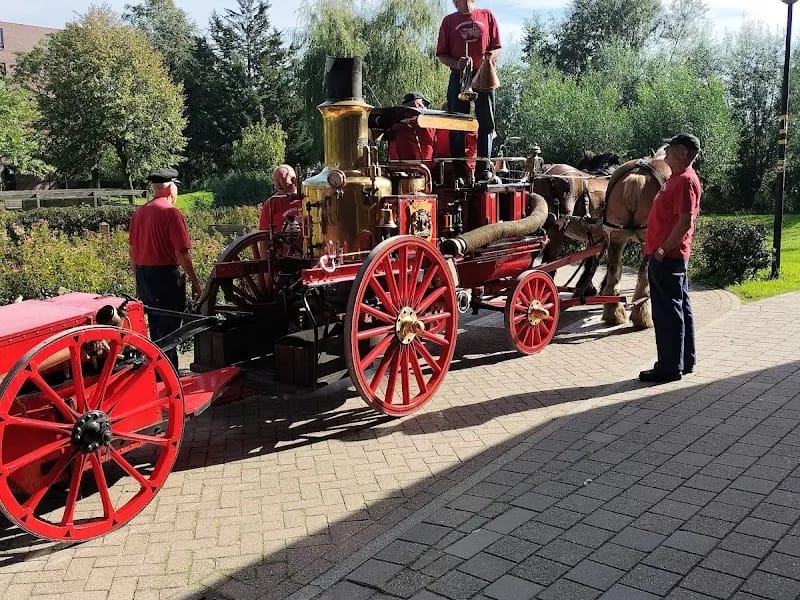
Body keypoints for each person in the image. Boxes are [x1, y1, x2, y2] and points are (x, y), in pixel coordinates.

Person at [639, 133, 703, 383]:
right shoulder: (677, 178)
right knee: (679, 307)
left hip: (668, 256)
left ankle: (669, 367)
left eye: (671, 147)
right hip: (668, 255)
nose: (665, 151)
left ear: (683, 153)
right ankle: (684, 360)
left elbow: (685, 220)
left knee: (667, 312)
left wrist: (663, 250)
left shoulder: (685, 181)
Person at [129, 167, 201, 369]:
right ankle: (169, 374)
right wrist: (196, 283)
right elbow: (182, 253)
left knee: (155, 328)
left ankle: (159, 372)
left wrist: (138, 282)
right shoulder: (171, 213)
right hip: (165, 277)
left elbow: (132, 252)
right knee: (170, 331)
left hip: (144, 275)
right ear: (170, 188)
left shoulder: (139, 213)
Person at [436, 0, 501, 179]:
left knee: (486, 123)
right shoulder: (449, 21)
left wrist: (489, 57)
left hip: (484, 74)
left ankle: (483, 169)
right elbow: (442, 54)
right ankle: (460, 172)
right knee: (457, 123)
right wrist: (457, 63)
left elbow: (497, 46)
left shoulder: (487, 15)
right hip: (459, 76)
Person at [388, 92, 436, 162]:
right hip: (423, 165)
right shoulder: (426, 122)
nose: (426, 108)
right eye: (425, 104)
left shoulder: (394, 125)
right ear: (418, 105)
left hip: (398, 165)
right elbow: (435, 141)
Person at [259, 164, 302, 233]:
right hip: (280, 239)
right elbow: (263, 233)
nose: (277, 185)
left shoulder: (307, 198)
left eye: (281, 180)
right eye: (276, 181)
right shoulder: (271, 203)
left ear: (294, 180)